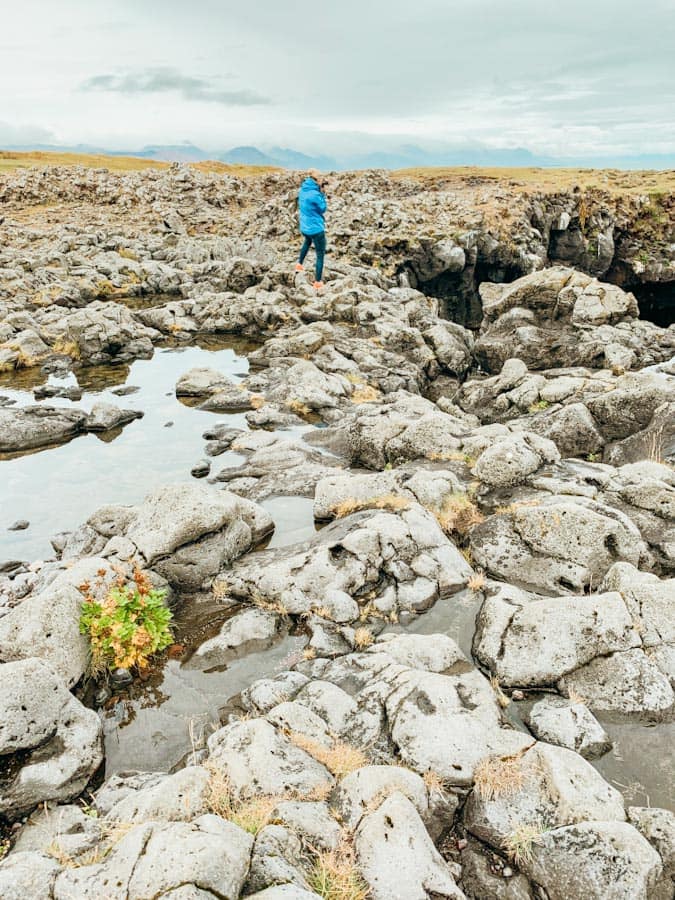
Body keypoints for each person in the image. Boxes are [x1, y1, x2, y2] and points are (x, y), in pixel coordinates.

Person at [296, 172, 327, 289]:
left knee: (307, 242)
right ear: (316, 180)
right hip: (316, 229)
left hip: (305, 227)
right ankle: (318, 282)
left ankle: (299, 264)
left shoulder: (303, 190)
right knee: (320, 254)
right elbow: (323, 209)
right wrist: (322, 194)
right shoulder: (315, 194)